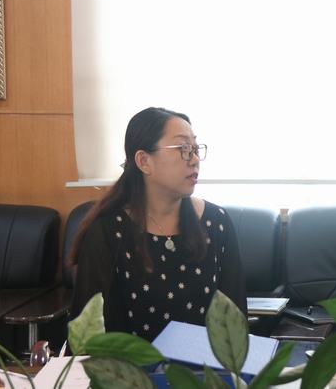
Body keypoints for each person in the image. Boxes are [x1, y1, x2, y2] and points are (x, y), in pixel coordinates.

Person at [70, 107, 247, 341]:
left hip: (204, 365)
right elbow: (89, 333)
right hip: (129, 364)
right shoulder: (108, 231)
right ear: (144, 161)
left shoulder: (217, 223)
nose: (194, 160)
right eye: (183, 149)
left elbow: (235, 321)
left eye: (195, 149)